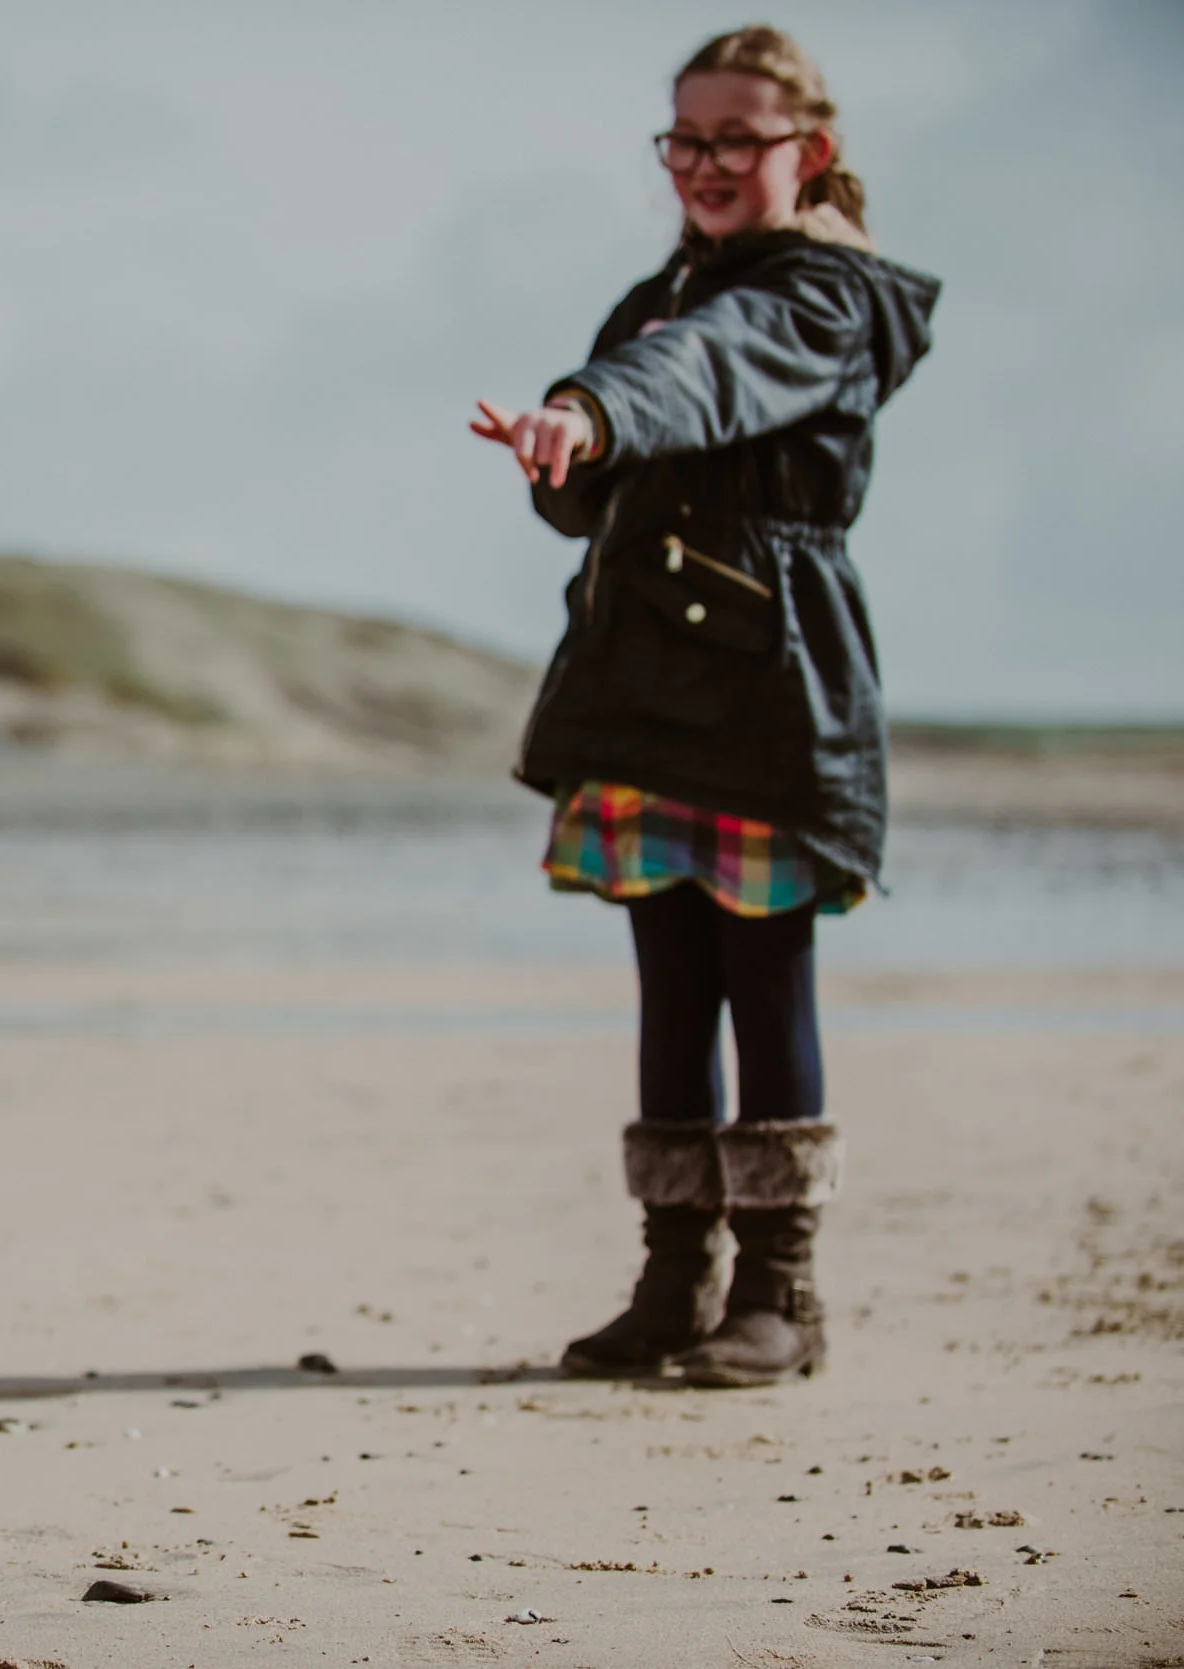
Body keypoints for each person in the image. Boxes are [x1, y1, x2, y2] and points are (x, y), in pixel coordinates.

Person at [471, 25, 939, 1387]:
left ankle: (782, 1296)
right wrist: (561, 452)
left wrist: (600, 405)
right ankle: (673, 1284)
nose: (706, 164)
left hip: (769, 679)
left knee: (761, 967)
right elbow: (605, 465)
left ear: (812, 150)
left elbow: (708, 373)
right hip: (641, 678)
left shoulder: (824, 300)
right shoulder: (657, 292)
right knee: (668, 973)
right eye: (684, 138)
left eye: (736, 139)